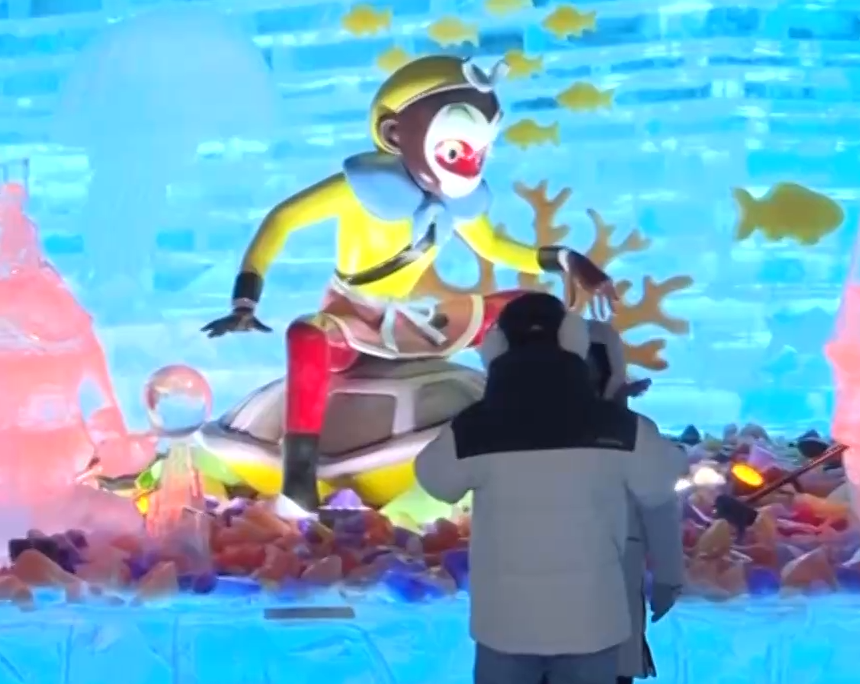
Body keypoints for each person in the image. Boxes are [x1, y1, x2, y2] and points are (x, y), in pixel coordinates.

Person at [200, 54, 618, 512]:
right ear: (395, 134)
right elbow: (282, 220)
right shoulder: (358, 189)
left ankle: (571, 415)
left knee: (530, 308)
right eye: (456, 150)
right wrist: (246, 300)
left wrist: (566, 259)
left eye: (478, 151)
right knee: (306, 335)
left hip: (410, 319)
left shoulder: (456, 202)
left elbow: (494, 246)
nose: (468, 162)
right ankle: (299, 474)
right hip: (351, 316)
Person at [414, 293, 685, 684]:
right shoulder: (622, 429)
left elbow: (435, 480)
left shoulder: (473, 429)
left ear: (495, 349)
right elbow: (661, 490)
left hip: (504, 625)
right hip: (592, 625)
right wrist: (668, 575)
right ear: (575, 343)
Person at [586, 321, 682, 684]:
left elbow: (659, 507)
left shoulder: (530, 429)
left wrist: (668, 576)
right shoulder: (634, 429)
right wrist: (668, 577)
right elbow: (660, 507)